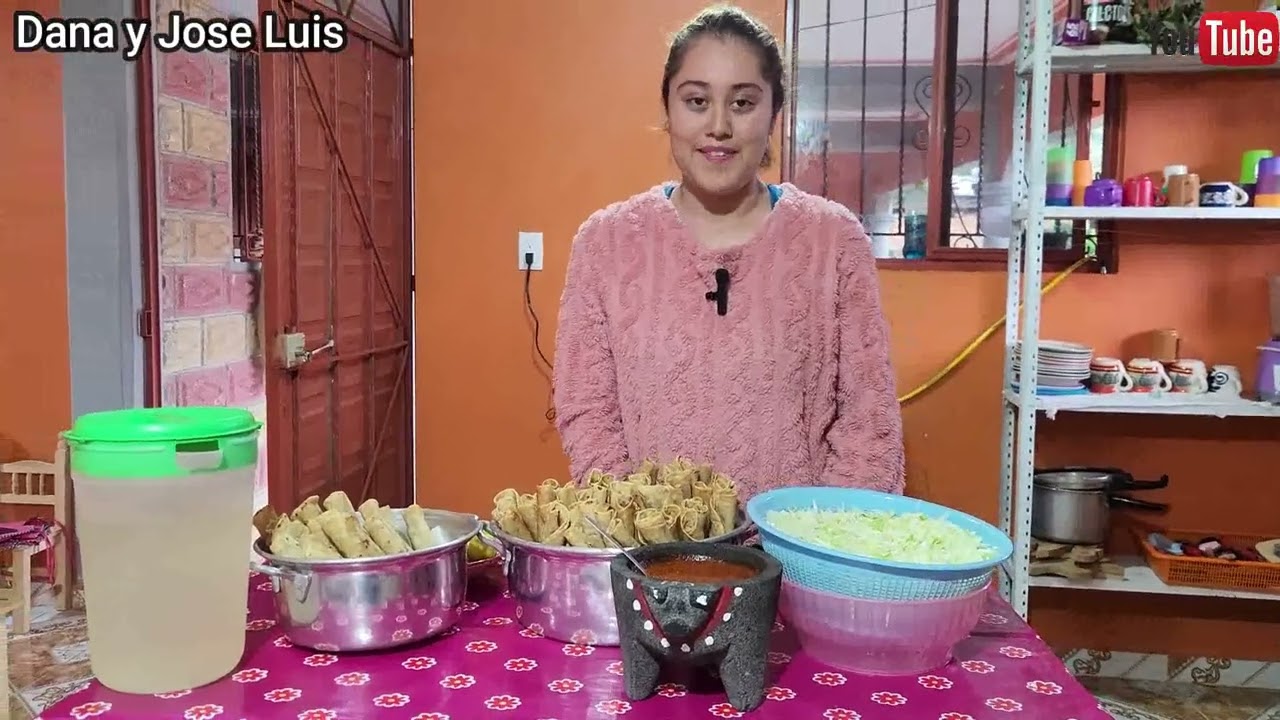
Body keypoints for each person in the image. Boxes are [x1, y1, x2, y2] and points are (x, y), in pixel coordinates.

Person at [553, 5, 904, 499]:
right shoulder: (604, 245)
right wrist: (644, 526)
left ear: (774, 114)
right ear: (668, 109)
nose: (718, 126)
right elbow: (588, 413)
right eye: (697, 101)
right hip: (647, 543)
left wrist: (816, 538)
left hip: (799, 544)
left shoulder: (834, 242)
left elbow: (869, 427)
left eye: (742, 103)